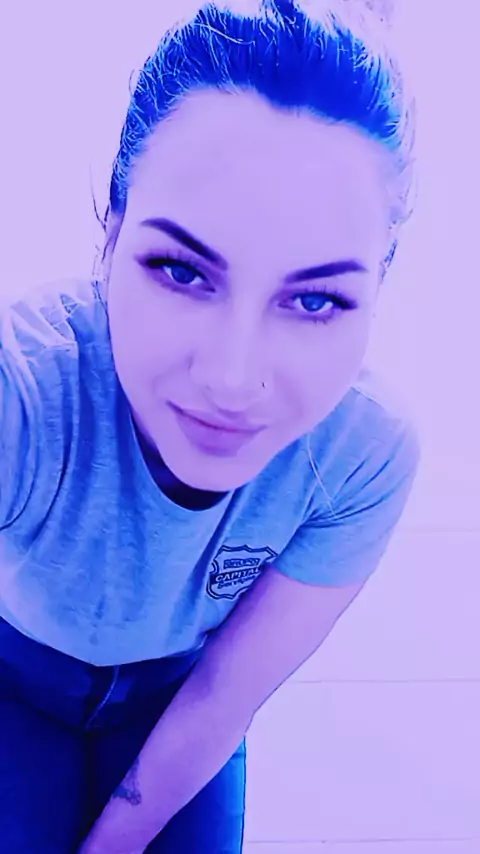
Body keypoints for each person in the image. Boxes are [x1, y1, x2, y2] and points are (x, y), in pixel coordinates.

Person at [0, 1, 421, 852]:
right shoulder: (26, 397)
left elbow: (227, 690)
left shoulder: (361, 455)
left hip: (179, 692)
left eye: (316, 300)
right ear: (109, 236)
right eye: (181, 270)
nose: (232, 379)